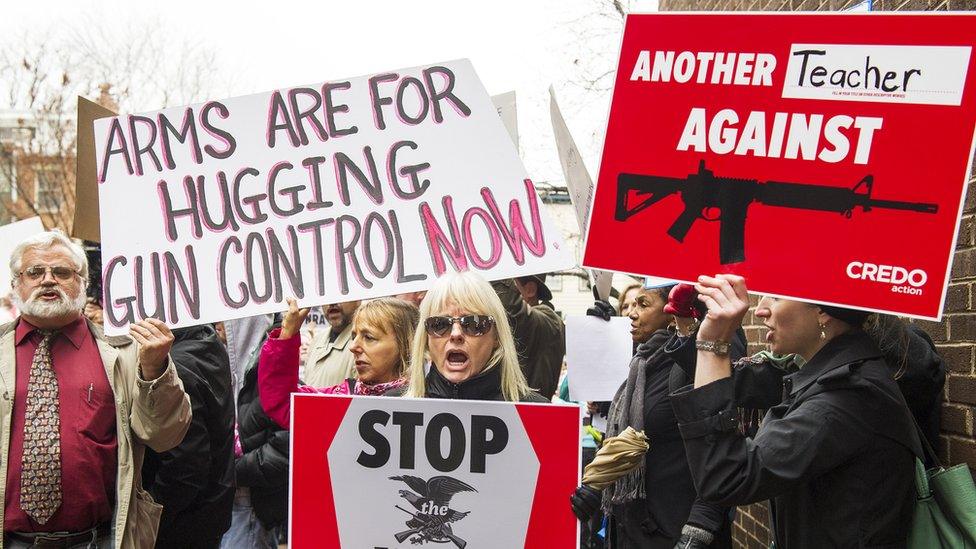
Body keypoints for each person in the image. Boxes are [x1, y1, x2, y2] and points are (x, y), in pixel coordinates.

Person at [673, 274, 921, 548]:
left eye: (776, 296)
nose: (761, 309)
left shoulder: (848, 397)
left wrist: (713, 347)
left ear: (823, 311)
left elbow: (726, 477)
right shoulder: (833, 380)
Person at [1, 230, 191, 548]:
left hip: (96, 539)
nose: (48, 280)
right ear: (16, 284)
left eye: (61, 272)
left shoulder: (125, 353)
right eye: (35, 272)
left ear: (83, 283)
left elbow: (165, 436)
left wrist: (156, 368)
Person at [574, 283, 740, 548]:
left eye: (643, 304)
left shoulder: (691, 363)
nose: (630, 313)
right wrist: (596, 485)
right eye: (628, 305)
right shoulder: (640, 362)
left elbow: (719, 450)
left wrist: (700, 526)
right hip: (633, 528)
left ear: (670, 311)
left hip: (674, 528)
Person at [142, 324, 236, 549]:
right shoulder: (206, 342)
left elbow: (184, 468)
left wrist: (149, 516)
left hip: (181, 526)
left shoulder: (176, 367)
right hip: (207, 512)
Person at [258, 297, 418, 429]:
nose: (353, 346)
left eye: (368, 337)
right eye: (354, 336)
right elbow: (284, 402)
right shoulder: (339, 399)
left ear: (406, 344)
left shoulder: (430, 403)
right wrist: (287, 334)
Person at [403, 271, 547, 403]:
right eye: (439, 324)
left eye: (474, 324)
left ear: (496, 336)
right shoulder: (392, 409)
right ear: (426, 338)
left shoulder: (538, 414)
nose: (455, 334)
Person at [492, 274, 565, 400]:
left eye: (514, 286)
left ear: (530, 289)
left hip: (528, 412)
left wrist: (494, 269)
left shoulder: (549, 321)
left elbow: (513, 309)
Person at [302, 300, 360, 387]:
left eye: (341, 295)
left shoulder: (364, 343)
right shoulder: (318, 339)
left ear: (358, 301)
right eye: (327, 297)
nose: (332, 303)